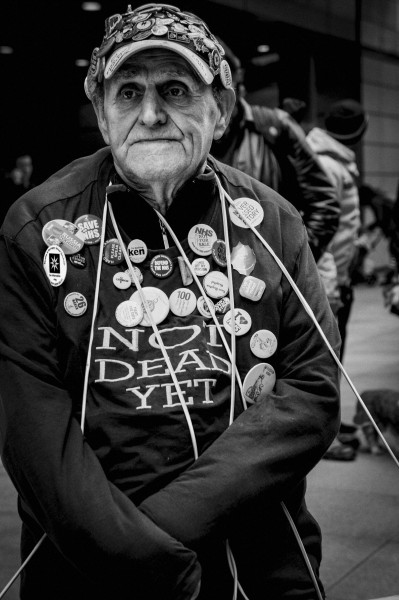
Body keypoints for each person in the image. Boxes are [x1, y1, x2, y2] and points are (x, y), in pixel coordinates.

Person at [0, 4, 340, 599]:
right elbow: (34, 433)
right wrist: (132, 556)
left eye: (175, 89)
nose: (151, 114)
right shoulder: (37, 227)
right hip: (86, 568)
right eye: (127, 92)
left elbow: (311, 392)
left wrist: (159, 538)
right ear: (103, 118)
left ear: (221, 111)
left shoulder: (274, 222)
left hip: (260, 563)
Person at [211, 45, 339, 262]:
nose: (218, 109)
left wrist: (291, 265)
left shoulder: (275, 127)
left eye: (222, 95)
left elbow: (323, 203)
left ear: (238, 92)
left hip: (269, 277)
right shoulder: (191, 136)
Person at [307, 99, 368, 461]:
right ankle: (321, 437)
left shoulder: (336, 160)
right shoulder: (329, 164)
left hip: (336, 279)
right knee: (323, 363)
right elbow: (322, 230)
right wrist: (329, 285)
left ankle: (330, 424)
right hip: (326, 283)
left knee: (334, 359)